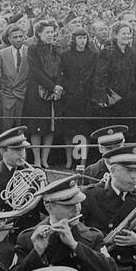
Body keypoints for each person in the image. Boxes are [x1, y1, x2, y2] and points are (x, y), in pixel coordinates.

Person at [11, 175, 116, 271]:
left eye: (78, 203)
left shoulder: (93, 237)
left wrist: (75, 246)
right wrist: (37, 253)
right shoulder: (28, 238)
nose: (77, 209)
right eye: (69, 205)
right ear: (49, 207)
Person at [81, 143, 136, 271]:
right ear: (113, 170)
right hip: (104, 268)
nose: (134, 176)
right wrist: (98, 241)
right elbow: (77, 229)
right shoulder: (90, 195)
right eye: (129, 170)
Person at [90, 25, 136, 144]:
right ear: (116, 35)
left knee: (129, 132)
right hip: (113, 100)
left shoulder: (133, 53)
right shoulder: (107, 53)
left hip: (130, 100)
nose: (127, 36)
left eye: (128, 33)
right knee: (113, 134)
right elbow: (100, 76)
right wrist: (102, 97)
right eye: (123, 33)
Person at [24, 20, 63, 169]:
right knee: (37, 127)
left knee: (50, 126)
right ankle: (36, 160)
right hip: (38, 91)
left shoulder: (57, 48)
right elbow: (35, 70)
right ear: (39, 33)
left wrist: (57, 86)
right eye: (47, 32)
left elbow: (61, 69)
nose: (50, 35)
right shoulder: (33, 49)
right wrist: (52, 86)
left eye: (52, 32)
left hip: (55, 91)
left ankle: (45, 159)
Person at [59, 24, 97, 168]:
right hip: (70, 96)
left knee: (84, 131)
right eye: (79, 38)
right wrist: (66, 87)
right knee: (69, 130)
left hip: (86, 96)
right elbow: (61, 74)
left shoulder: (93, 55)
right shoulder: (65, 55)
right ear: (74, 39)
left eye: (84, 38)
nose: (82, 41)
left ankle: (82, 161)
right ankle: (69, 160)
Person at [0, 23, 29, 136]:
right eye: (15, 37)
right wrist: (3, 92)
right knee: (6, 130)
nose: (18, 39)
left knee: (22, 130)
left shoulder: (30, 52)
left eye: (20, 36)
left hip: (24, 96)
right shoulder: (2, 54)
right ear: (9, 38)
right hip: (7, 97)